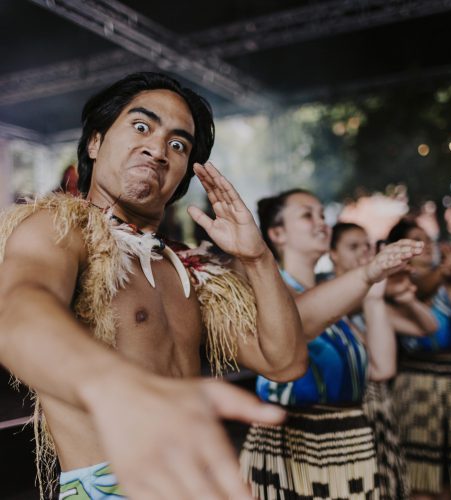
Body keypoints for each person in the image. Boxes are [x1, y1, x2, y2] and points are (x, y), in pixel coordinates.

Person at [0, 72, 308, 499]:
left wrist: (257, 257)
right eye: (141, 127)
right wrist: (115, 387)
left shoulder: (186, 268)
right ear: (95, 142)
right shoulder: (59, 227)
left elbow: (284, 361)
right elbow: (15, 312)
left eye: (178, 144)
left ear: (183, 177)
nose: (158, 149)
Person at [240, 189, 424, 500]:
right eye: (307, 215)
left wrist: (375, 295)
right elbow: (298, 321)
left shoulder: (333, 297)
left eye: (322, 215)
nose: (321, 223)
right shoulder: (268, 295)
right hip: (295, 450)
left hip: (346, 447)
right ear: (277, 233)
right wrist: (368, 274)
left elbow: (381, 368)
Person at [328, 222, 437, 500]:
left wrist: (404, 296)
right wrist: (378, 293)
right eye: (353, 247)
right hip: (344, 416)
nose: (363, 253)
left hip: (380, 406)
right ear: (332, 254)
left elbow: (427, 327)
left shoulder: (375, 297)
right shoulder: (324, 298)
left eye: (366, 246)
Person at [387, 218, 451, 500]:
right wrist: (444, 269)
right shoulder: (396, 283)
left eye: (429, 240)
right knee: (421, 474)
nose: (427, 246)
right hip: (417, 386)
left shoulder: (446, 286)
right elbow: (421, 290)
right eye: (417, 240)